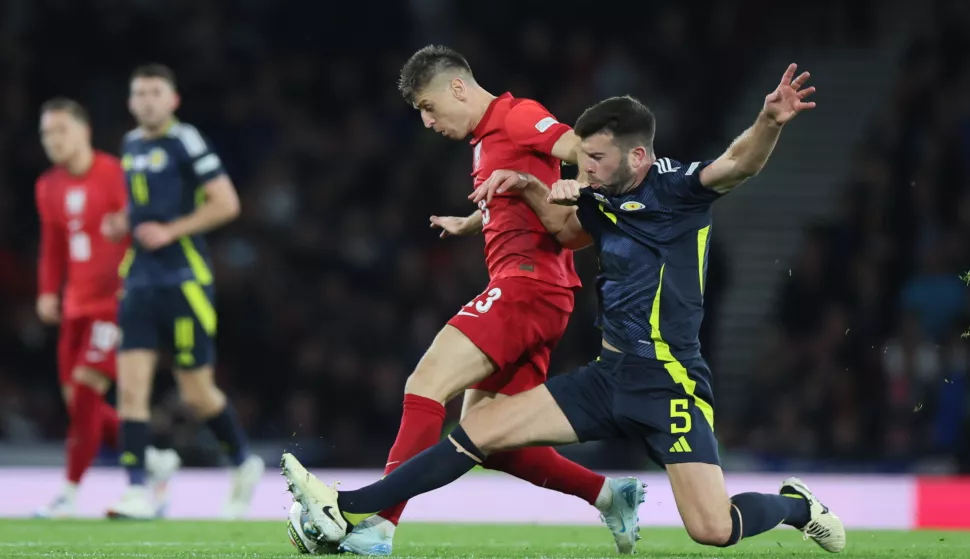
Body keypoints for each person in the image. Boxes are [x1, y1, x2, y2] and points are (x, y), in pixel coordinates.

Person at [282, 64, 847, 553]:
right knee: (478, 430)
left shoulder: (678, 188)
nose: (585, 169)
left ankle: (797, 508)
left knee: (713, 528)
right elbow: (558, 225)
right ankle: (349, 506)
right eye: (585, 159)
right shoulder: (598, 200)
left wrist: (769, 122)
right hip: (607, 377)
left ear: (639, 155)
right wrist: (523, 186)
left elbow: (737, 164)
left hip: (669, 384)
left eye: (596, 158)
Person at [338, 45, 643, 556]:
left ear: (458, 88)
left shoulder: (518, 116)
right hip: (540, 293)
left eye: (429, 107)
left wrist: (594, 190)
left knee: (426, 384)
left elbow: (579, 148)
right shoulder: (485, 141)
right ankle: (610, 494)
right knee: (488, 438)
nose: (428, 121)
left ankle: (377, 526)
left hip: (528, 286)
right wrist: (477, 220)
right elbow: (528, 188)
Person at [101, 64, 264, 520]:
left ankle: (243, 461)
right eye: (140, 93)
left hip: (184, 280)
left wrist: (172, 231)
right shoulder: (131, 145)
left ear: (173, 101)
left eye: (156, 92)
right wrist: (124, 223)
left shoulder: (185, 140)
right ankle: (136, 489)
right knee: (131, 390)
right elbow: (142, 208)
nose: (147, 100)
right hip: (139, 279)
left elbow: (226, 203)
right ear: (131, 103)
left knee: (196, 393)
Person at [33, 98, 180, 518]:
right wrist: (48, 291)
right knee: (79, 402)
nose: (53, 141)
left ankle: (69, 492)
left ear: (84, 131)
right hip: (75, 304)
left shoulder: (115, 173)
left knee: (83, 390)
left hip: (114, 301)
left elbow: (145, 219)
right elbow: (54, 246)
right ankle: (153, 460)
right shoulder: (48, 185)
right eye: (46, 133)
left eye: (61, 130)